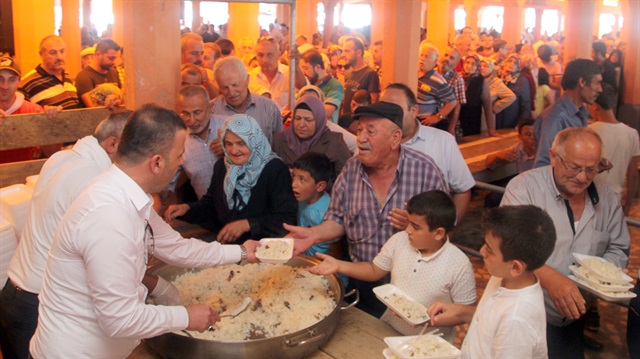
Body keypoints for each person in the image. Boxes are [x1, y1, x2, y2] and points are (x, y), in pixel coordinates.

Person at [29, 104, 259, 358]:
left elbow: (177, 248)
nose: (182, 162)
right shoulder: (108, 214)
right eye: (179, 155)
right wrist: (185, 316)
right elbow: (119, 319)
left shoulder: (125, 192)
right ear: (157, 162)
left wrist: (242, 252)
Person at [284, 101, 447, 317]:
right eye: (359, 130)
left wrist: (416, 227)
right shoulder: (351, 169)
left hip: (409, 285)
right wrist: (312, 235)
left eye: (370, 131)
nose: (360, 139)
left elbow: (445, 231)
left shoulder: (425, 171)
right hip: (360, 277)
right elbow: (337, 219)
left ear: (395, 138)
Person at [0, 110, 129, 359]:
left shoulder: (61, 158)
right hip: (38, 304)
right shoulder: (93, 180)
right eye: (134, 148)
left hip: (12, 292)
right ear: (112, 144)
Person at [502, 127, 630, 358]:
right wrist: (551, 278)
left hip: (575, 315)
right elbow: (507, 246)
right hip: (524, 312)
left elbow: (619, 248)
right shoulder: (524, 188)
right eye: (574, 167)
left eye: (591, 169)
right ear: (553, 156)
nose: (582, 177)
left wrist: (598, 278)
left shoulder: (605, 196)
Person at [308, 190, 475, 342]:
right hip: (388, 330)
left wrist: (428, 320)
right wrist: (338, 265)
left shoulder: (459, 264)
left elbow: (464, 312)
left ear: (438, 233)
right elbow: (374, 270)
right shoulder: (399, 241)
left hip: (428, 343)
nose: (408, 230)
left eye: (416, 227)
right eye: (409, 222)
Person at [428, 205, 556, 358]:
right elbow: (492, 322)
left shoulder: (516, 320)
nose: (482, 251)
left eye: (489, 249)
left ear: (515, 267)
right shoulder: (503, 275)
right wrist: (463, 312)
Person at [165, 114, 297, 244]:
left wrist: (247, 225)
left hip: (265, 250)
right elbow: (211, 205)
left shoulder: (274, 169)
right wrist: (187, 209)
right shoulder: (222, 166)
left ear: (255, 141)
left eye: (241, 143)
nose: (234, 150)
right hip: (232, 250)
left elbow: (286, 219)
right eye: (228, 144)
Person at [381, 83, 475, 221]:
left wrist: (447, 233)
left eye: (395, 110)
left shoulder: (443, 141)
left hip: (427, 239)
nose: (387, 115)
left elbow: (462, 190)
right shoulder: (371, 142)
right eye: (383, 109)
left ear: (414, 111)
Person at [533, 59, 603, 167]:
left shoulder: (580, 113)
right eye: (597, 83)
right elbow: (543, 163)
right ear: (582, 82)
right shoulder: (556, 117)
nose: (600, 89)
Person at [167, 85, 225, 200]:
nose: (192, 120)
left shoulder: (231, 125)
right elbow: (168, 183)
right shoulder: (177, 141)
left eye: (197, 112)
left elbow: (261, 160)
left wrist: (232, 149)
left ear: (210, 108)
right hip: (207, 212)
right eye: (185, 114)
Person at [272, 95, 350, 180]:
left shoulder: (335, 142)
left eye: (308, 120)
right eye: (297, 118)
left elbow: (346, 179)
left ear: (319, 120)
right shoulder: (279, 140)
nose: (301, 125)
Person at [589, 83, 639, 215]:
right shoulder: (631, 133)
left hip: (589, 197)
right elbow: (633, 174)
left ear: (595, 105)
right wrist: (628, 204)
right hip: (615, 199)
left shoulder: (588, 131)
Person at [211, 56, 282, 144]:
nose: (231, 92)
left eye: (235, 85)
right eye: (224, 88)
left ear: (247, 80)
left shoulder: (269, 108)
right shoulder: (212, 111)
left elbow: (280, 147)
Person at [291, 153, 335, 257]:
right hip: (303, 257)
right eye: (293, 176)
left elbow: (335, 250)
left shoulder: (327, 211)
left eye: (302, 179)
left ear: (320, 186)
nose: (294, 184)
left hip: (320, 263)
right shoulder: (301, 198)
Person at [19, 35, 80, 109]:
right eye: (53, 53)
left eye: (62, 51)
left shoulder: (66, 75)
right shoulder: (27, 83)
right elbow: (20, 116)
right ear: (41, 54)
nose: (59, 57)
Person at [249, 36, 307, 110]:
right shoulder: (250, 78)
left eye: (269, 55)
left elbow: (304, 88)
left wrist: (296, 67)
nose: (265, 60)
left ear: (278, 54)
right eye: (261, 55)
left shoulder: (290, 73)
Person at [415, 43, 458, 131]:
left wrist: (437, 117)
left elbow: (452, 102)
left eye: (426, 56)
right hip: (411, 120)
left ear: (435, 61)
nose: (422, 58)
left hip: (424, 123)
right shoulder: (413, 72)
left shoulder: (438, 80)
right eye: (421, 55)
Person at [299, 49, 344, 124]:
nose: (303, 72)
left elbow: (326, 113)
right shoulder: (308, 84)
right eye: (302, 69)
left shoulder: (335, 85)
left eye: (306, 68)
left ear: (317, 67)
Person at [75, 39, 122, 107]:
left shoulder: (113, 72)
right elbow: (93, 108)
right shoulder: (84, 76)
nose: (114, 62)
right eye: (111, 58)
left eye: (115, 58)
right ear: (98, 54)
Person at [340, 37, 380, 116]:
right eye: (343, 51)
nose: (343, 55)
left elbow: (373, 102)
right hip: (346, 121)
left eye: (347, 51)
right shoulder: (348, 73)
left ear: (358, 53)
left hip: (359, 121)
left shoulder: (370, 74)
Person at [458, 54, 496, 136]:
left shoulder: (481, 81)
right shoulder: (458, 77)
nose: (469, 66)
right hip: (456, 118)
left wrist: (491, 128)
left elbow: (487, 105)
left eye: (473, 64)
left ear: (477, 66)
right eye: (467, 63)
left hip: (472, 119)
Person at [496, 54, 531, 129]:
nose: (511, 64)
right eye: (509, 61)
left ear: (518, 66)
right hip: (497, 118)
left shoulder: (522, 80)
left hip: (512, 119)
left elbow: (526, 104)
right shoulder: (498, 77)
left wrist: (521, 123)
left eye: (515, 63)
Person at [437, 46, 466, 136]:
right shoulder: (432, 73)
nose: (447, 59)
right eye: (446, 55)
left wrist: (451, 128)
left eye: (451, 58)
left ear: (456, 63)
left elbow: (457, 106)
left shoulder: (457, 79)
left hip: (443, 121)